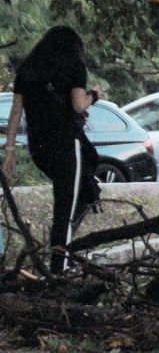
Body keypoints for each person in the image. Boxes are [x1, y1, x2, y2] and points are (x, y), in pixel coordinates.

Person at [3, 26, 102, 273]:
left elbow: (15, 113)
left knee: (77, 196)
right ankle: (60, 269)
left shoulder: (27, 70)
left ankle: (61, 253)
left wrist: (10, 150)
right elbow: (79, 105)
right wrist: (94, 95)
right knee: (66, 208)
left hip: (39, 148)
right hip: (66, 144)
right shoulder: (74, 67)